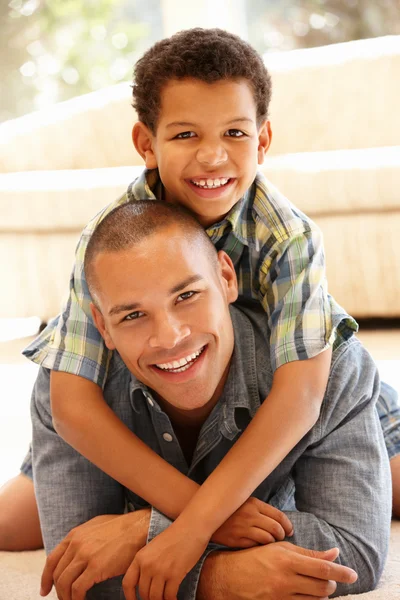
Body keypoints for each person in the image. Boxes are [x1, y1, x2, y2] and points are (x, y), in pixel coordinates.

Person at [0, 27, 399, 559]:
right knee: (14, 527)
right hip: (160, 407)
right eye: (186, 135)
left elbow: (302, 397)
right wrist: (199, 514)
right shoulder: (109, 240)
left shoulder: (288, 237)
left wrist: (194, 525)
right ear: (147, 144)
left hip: (302, 406)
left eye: (234, 133)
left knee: (369, 498)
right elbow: (72, 407)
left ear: (263, 140)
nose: (212, 158)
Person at [32, 200, 391, 600]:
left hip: (351, 410)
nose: (169, 337)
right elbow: (76, 573)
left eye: (186, 295)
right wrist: (223, 576)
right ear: (102, 327)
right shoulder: (68, 386)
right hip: (107, 435)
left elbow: (354, 554)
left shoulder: (330, 361)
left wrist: (145, 529)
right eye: (133, 316)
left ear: (225, 277)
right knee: (15, 523)